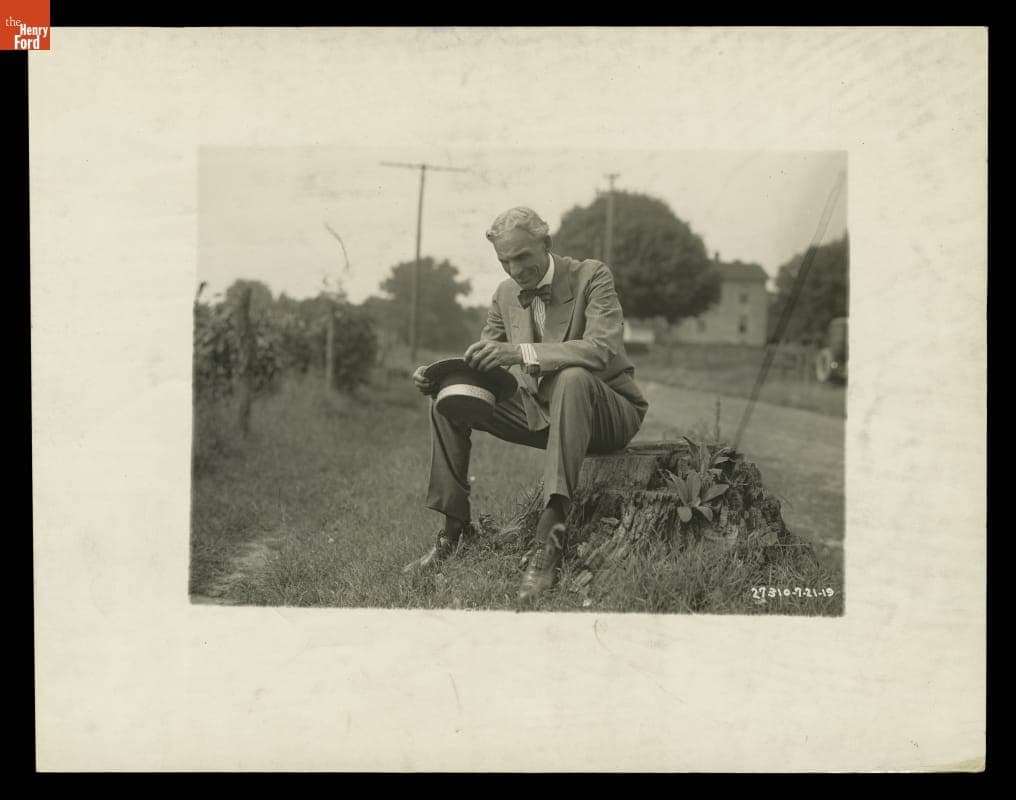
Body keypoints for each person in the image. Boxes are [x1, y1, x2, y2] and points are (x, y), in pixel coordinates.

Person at [410, 206, 649, 602]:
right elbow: (486, 363)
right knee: (446, 401)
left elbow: (601, 350)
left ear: (547, 244)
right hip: (542, 413)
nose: (515, 270)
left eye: (522, 257)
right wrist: (440, 376)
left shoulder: (592, 275)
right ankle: (453, 532)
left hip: (608, 412)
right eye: (505, 261)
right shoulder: (505, 294)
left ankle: (549, 540)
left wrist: (520, 352)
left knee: (573, 377)